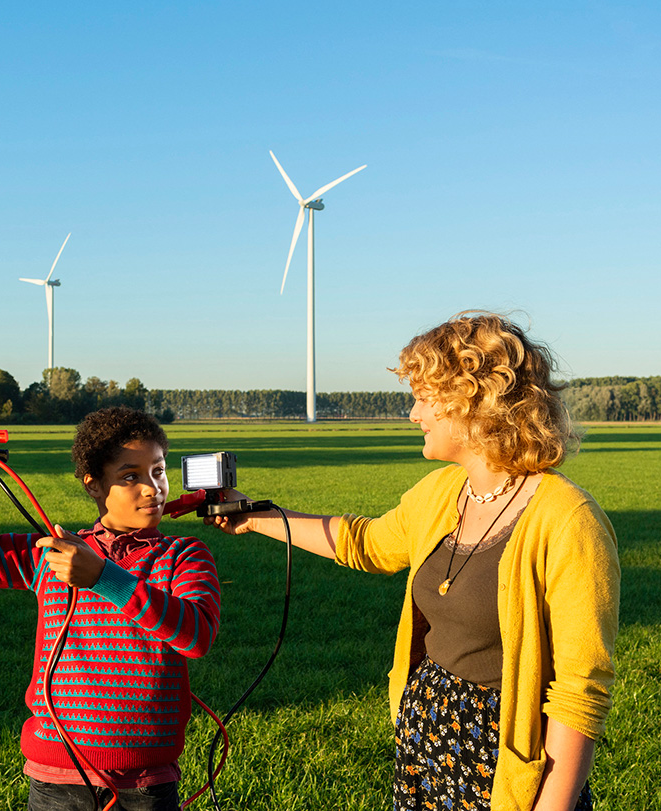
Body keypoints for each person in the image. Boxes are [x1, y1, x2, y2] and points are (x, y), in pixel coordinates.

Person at [207, 312, 619, 811]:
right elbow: (365, 543)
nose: (413, 414)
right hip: (426, 746)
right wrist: (255, 516)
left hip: (506, 762)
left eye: (424, 398)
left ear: (473, 402)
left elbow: (579, 692)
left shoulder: (568, 520)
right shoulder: (443, 493)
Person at [0, 406, 221, 811]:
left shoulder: (184, 554)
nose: (151, 488)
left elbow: (196, 635)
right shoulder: (50, 553)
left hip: (144, 783)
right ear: (93, 485)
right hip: (57, 780)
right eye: (130, 476)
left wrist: (104, 577)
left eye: (158, 471)